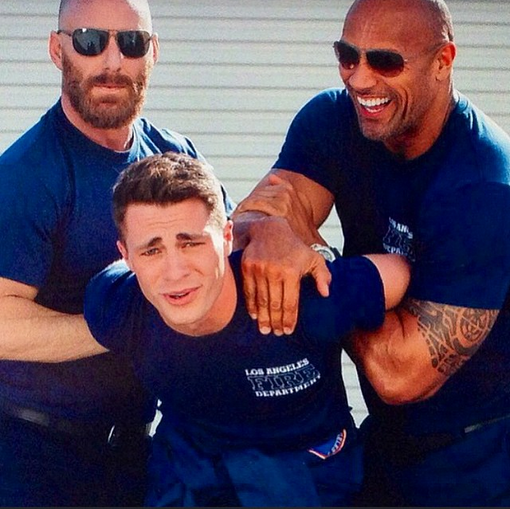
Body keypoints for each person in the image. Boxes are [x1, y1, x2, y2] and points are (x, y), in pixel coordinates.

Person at [232, 0, 510, 506]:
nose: (359, 79)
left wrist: (316, 257)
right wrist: (272, 233)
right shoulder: (332, 120)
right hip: (382, 444)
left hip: (477, 460)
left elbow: (398, 374)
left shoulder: (483, 184)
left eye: (385, 61)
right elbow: (253, 221)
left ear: (443, 61)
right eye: (347, 56)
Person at [0, 0, 233, 506]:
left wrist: (290, 240)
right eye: (89, 41)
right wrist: (121, 321)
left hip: (138, 453)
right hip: (32, 457)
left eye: (130, 43)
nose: (112, 61)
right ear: (57, 50)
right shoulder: (27, 174)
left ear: (152, 52)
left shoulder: (175, 156)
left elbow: (230, 253)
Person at [80, 151, 410, 507]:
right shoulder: (116, 306)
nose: (175, 272)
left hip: (306, 481)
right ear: (126, 255)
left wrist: (315, 250)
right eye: (151, 251)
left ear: (227, 237)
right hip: (193, 480)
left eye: (191, 243)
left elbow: (400, 271)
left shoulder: (298, 295)